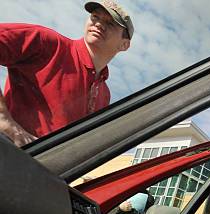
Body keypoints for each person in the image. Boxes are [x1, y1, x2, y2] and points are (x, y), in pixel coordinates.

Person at [0, 0, 134, 146]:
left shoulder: (104, 94)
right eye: (95, 16)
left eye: (110, 23)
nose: (99, 24)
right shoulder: (46, 42)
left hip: (45, 167)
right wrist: (4, 120)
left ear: (124, 44)